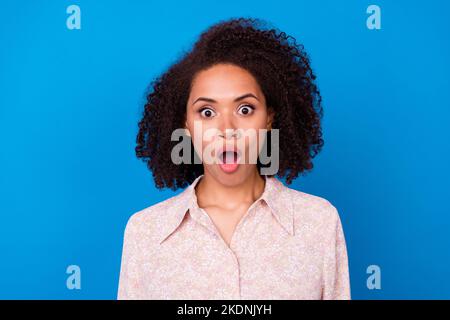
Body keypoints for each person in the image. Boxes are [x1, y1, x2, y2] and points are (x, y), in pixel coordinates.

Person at [117, 17, 350, 299]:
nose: (227, 130)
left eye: (245, 110)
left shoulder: (318, 222)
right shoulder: (145, 233)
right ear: (186, 125)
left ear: (269, 118)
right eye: (207, 112)